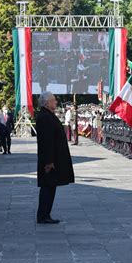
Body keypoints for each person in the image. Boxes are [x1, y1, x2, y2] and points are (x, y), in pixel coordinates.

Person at [36, 91, 75, 223]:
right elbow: (46, 141)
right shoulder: (44, 117)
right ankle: (43, 215)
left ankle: (45, 214)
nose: (56, 102)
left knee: (50, 187)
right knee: (48, 187)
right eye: (53, 100)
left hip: (53, 160)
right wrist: (49, 162)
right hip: (49, 162)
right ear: (47, 102)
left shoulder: (48, 115)